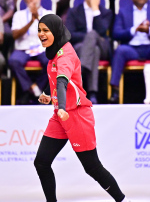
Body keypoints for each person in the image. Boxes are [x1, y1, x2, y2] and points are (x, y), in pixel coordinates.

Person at [35, 14, 129, 202]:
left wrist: (61, 106)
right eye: (39, 30)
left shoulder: (65, 55)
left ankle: (122, 200)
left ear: (56, 31)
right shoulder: (56, 50)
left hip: (76, 115)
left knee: (92, 167)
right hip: (60, 115)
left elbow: (62, 81)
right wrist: (47, 92)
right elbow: (55, 79)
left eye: (46, 30)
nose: (41, 34)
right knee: (42, 162)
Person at [65, 0, 112, 104]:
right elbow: (69, 35)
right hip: (83, 48)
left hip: (102, 46)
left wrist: (95, 9)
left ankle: (80, 71)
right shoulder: (74, 11)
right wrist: (88, 38)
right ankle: (92, 93)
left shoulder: (106, 12)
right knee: (93, 50)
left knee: (93, 36)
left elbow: (102, 31)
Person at [9, 0, 52, 104]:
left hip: (42, 48)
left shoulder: (49, 13)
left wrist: (38, 18)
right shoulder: (19, 15)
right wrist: (31, 22)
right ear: (25, 0)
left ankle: (36, 89)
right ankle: (32, 88)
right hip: (23, 48)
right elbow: (15, 35)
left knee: (52, 62)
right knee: (13, 61)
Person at [109, 0, 150, 103]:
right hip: (131, 48)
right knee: (120, 50)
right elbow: (115, 34)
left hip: (148, 47)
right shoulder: (123, 11)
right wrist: (134, 29)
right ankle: (115, 91)